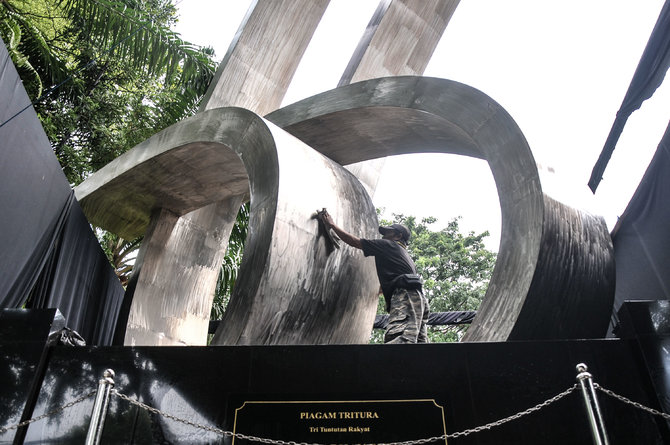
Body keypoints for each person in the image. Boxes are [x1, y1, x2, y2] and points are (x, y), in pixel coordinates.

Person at [322, 211, 429, 343]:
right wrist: (382, 287)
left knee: (401, 339)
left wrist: (332, 225)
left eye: (388, 232)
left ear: (398, 236)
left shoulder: (388, 245)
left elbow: (355, 242)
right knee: (419, 344)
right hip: (419, 300)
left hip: (406, 297)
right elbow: (397, 273)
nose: (383, 235)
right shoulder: (404, 255)